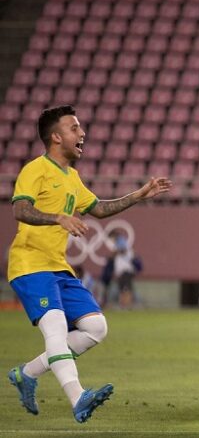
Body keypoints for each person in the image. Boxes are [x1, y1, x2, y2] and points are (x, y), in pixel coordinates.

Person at [7, 105, 171, 422]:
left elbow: (98, 208)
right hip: (29, 263)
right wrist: (58, 217)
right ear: (56, 137)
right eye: (74, 128)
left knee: (95, 327)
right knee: (54, 327)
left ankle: (27, 373)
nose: (82, 133)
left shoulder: (72, 177)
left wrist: (139, 194)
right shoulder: (35, 169)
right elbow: (20, 210)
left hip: (57, 265)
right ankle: (78, 397)